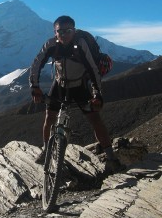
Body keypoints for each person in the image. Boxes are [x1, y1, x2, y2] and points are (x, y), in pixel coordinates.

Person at [29, 15, 123, 173]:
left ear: (74, 31)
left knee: (95, 119)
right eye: (60, 31)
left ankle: (111, 158)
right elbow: (37, 64)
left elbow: (93, 70)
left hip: (80, 86)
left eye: (68, 31)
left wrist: (97, 94)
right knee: (49, 117)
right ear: (55, 32)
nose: (64, 35)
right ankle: (47, 150)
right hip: (59, 85)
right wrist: (34, 86)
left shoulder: (81, 44)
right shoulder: (51, 45)